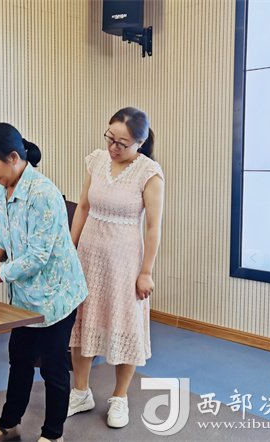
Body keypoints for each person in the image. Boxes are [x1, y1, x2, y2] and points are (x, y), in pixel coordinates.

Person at [0, 123, 87, 442]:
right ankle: (9, 422)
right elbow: (3, 234)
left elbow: (37, 257)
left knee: (53, 367)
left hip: (57, 296)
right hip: (26, 297)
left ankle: (53, 434)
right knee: (19, 360)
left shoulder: (43, 193)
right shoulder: (3, 188)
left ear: (13, 158)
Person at [67, 107, 165, 428]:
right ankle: (80, 392)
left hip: (125, 261)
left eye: (122, 143)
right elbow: (83, 206)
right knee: (82, 321)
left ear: (140, 142)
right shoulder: (96, 161)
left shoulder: (149, 173)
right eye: (110, 138)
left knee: (124, 324)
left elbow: (153, 228)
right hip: (89, 255)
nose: (113, 147)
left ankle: (119, 397)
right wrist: (70, 249)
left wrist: (146, 272)